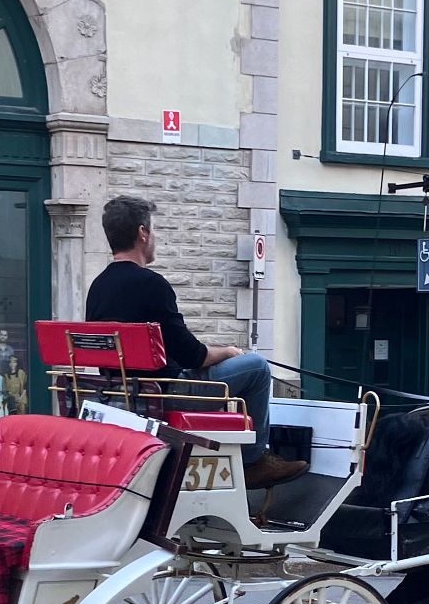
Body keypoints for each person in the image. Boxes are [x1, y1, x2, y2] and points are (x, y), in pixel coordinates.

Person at [85, 194, 304, 489]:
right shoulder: (151, 284)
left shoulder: (98, 287)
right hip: (165, 393)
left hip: (121, 394)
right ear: (142, 233)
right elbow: (194, 356)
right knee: (257, 367)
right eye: (154, 230)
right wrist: (229, 351)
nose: (155, 238)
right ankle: (254, 461)